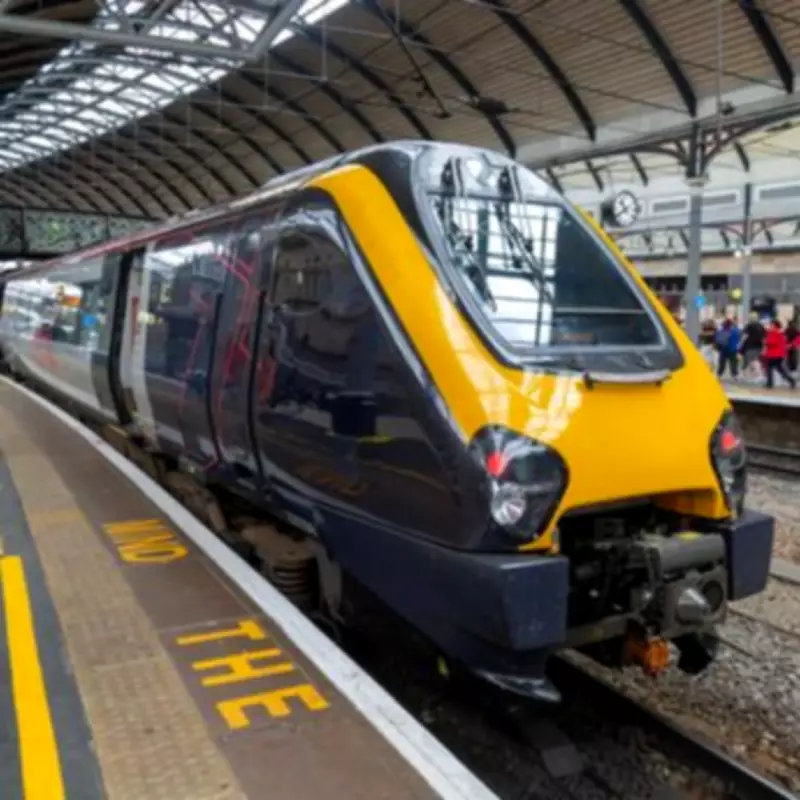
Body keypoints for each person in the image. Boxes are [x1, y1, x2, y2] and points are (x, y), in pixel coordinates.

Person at [763, 319, 796, 389]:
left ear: (774, 325)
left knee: (769, 368)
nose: (770, 326)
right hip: (779, 354)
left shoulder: (773, 332)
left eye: (771, 324)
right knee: (780, 369)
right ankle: (791, 380)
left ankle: (770, 383)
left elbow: (771, 342)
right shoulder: (781, 333)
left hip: (773, 354)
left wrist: (765, 341)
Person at [740, 312, 765, 380]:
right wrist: (764, 347)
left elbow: (745, 336)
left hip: (750, 346)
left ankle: (759, 375)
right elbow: (764, 337)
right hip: (759, 346)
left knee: (753, 361)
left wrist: (740, 343)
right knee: (753, 361)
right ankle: (755, 376)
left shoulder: (749, 326)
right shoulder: (761, 326)